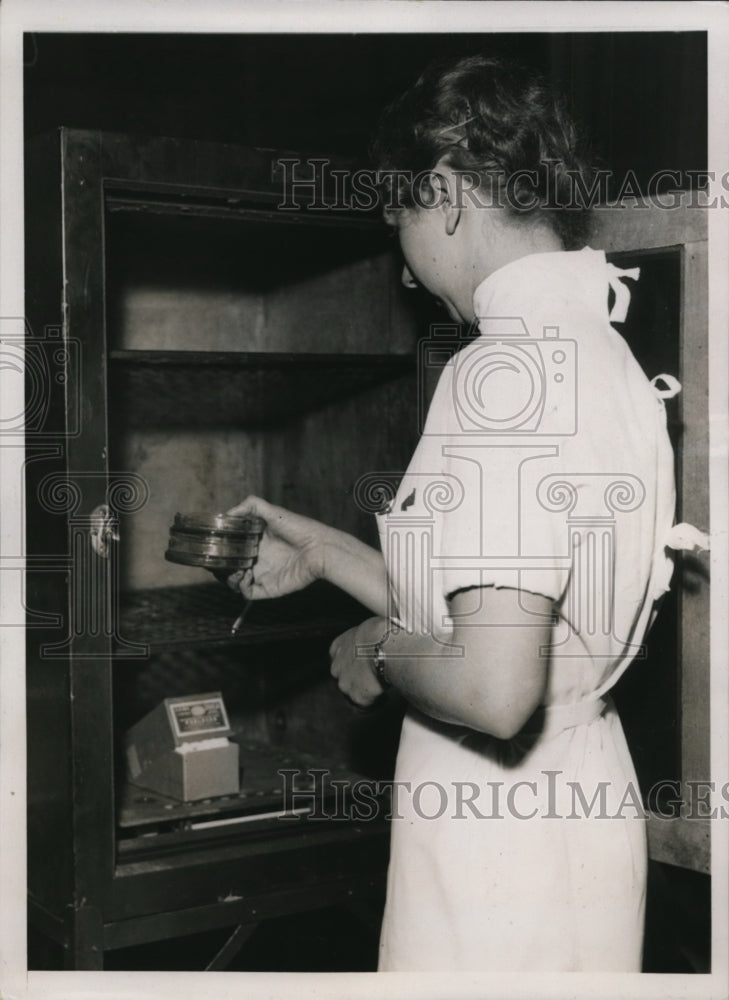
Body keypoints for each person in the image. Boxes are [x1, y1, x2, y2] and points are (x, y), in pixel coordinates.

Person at [226, 55, 683, 971]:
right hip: (580, 804)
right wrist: (325, 552)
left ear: (441, 193)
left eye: (401, 223)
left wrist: (377, 651)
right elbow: (513, 610)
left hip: (492, 843)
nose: (405, 271)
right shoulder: (606, 356)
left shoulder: (498, 371)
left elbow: (490, 686)